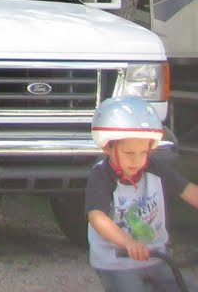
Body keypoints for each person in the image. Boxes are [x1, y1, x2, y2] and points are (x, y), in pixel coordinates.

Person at [85, 95, 198, 291]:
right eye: (129, 153)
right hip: (118, 263)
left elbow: (187, 190)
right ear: (108, 146)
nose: (137, 160)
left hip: (157, 258)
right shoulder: (101, 175)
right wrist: (128, 242)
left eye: (143, 153)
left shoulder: (154, 168)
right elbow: (97, 217)